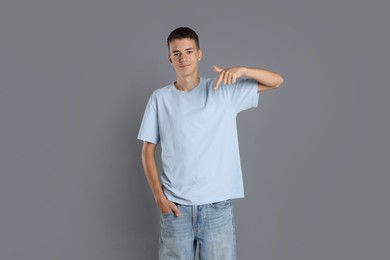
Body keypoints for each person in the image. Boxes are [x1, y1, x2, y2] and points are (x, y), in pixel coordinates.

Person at [137, 27, 284, 260]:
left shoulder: (223, 90)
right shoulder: (160, 98)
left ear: (199, 54)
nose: (183, 58)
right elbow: (147, 151)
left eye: (188, 51)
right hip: (176, 209)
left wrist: (243, 70)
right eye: (177, 53)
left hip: (216, 209)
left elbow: (276, 81)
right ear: (169, 58)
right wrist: (158, 196)